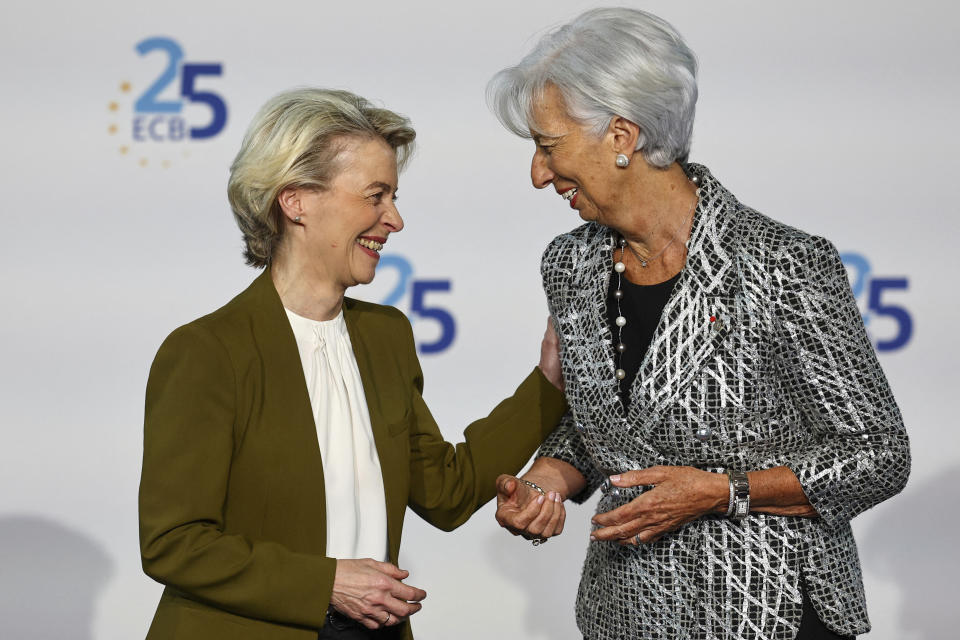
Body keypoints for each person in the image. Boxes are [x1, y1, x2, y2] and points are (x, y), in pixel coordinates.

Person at [486, 8, 910, 640]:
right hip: (625, 611)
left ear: (622, 136)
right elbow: (616, 424)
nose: (538, 174)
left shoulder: (782, 264)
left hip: (766, 609)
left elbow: (879, 454)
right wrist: (551, 476)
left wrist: (723, 491)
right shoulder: (570, 263)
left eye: (549, 148)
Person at [138, 88, 567, 640]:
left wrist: (549, 383)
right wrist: (326, 583)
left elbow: (446, 491)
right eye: (375, 196)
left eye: (392, 196)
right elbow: (173, 542)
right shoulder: (207, 352)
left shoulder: (386, 335)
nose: (395, 219)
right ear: (296, 201)